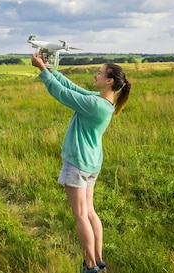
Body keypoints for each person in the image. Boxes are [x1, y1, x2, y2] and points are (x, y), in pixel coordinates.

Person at [31, 53, 131, 273]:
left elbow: (62, 94)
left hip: (78, 164)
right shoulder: (104, 103)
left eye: (100, 72)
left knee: (81, 216)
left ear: (109, 81)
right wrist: (51, 70)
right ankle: (98, 261)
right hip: (91, 164)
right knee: (90, 212)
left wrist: (42, 71)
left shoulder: (94, 105)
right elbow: (73, 88)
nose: (95, 74)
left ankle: (91, 266)